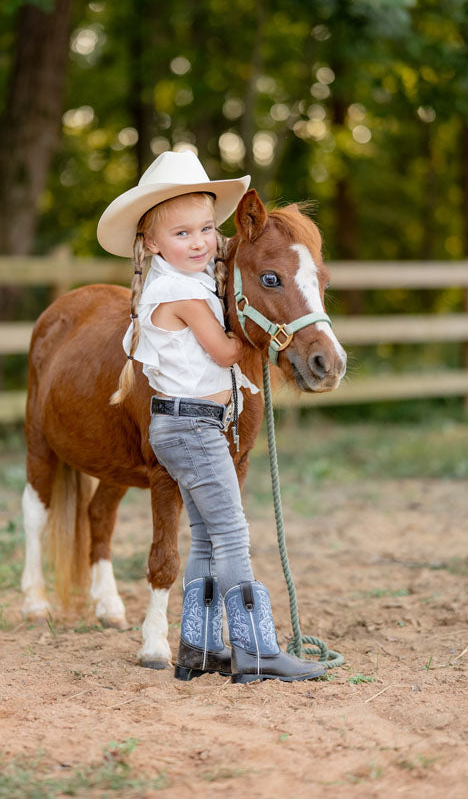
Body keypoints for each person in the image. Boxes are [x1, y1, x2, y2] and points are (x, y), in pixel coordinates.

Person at [97, 150, 325, 684]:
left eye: (205, 229)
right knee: (230, 533)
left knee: (204, 536)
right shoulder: (180, 291)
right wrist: (265, 336)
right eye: (182, 234)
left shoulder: (178, 279)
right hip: (194, 429)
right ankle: (257, 650)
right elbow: (224, 353)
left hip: (179, 425)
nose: (200, 242)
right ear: (151, 243)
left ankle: (198, 647)